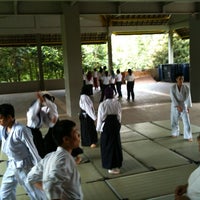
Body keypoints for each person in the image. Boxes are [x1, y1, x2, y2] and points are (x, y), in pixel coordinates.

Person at [27, 119, 83, 200]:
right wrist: (50, 191)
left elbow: (31, 177)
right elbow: (51, 185)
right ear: (66, 139)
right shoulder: (64, 159)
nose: (79, 135)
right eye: (76, 133)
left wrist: (46, 188)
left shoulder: (50, 156)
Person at [0, 103, 47, 200]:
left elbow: (33, 150)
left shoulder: (21, 130)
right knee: (5, 192)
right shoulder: (2, 128)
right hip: (12, 165)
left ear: (9, 117)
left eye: (0, 118)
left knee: (35, 193)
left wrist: (39, 170)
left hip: (26, 167)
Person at [96, 86, 123, 174]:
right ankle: (117, 164)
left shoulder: (103, 104)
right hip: (115, 124)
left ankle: (110, 166)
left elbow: (100, 118)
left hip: (106, 125)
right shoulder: (117, 103)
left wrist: (99, 129)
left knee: (107, 145)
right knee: (116, 144)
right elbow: (119, 116)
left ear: (105, 94)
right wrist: (119, 124)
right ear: (113, 94)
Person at [170, 73, 192, 142]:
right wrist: (177, 106)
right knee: (174, 120)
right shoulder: (172, 87)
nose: (181, 80)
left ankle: (188, 136)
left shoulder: (186, 87)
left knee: (186, 121)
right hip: (174, 106)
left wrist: (188, 106)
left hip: (183, 105)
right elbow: (173, 98)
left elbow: (188, 97)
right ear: (176, 79)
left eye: (182, 78)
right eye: (180, 79)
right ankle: (175, 133)